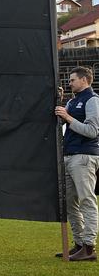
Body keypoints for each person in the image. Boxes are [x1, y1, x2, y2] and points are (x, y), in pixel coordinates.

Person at [55, 66, 99, 261]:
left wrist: (68, 117)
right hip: (70, 156)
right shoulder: (73, 101)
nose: (69, 83)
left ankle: (89, 248)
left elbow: (92, 131)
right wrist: (61, 104)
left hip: (83, 157)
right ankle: (79, 244)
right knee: (70, 204)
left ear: (84, 80)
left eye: (72, 80)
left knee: (87, 201)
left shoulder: (92, 100)